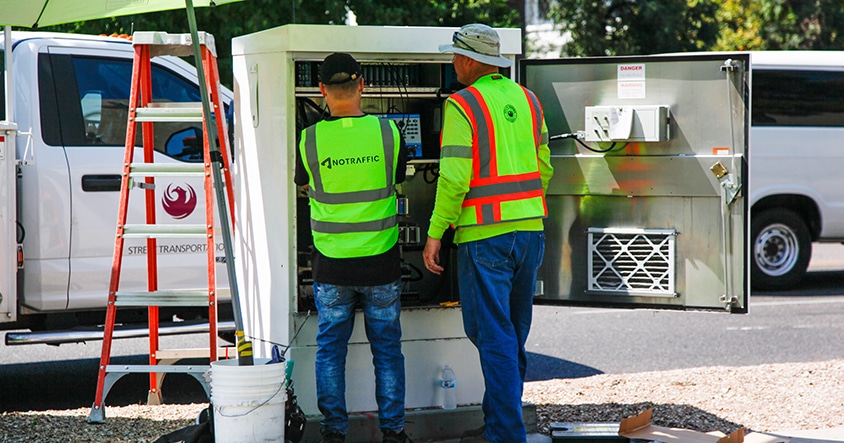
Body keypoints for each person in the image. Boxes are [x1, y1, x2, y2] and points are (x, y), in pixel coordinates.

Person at [422, 24, 553, 443]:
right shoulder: (528, 100)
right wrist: (523, 209)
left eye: (457, 55)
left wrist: (435, 231)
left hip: (484, 236)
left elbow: (453, 178)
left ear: (473, 60)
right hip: (530, 233)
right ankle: (500, 422)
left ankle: (506, 433)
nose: (453, 62)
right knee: (513, 331)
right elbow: (544, 165)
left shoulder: (463, 106)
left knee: (490, 333)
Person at [295, 52, 412, 443]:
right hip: (380, 264)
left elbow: (304, 185)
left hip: (332, 267)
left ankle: (334, 434)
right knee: (388, 352)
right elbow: (399, 179)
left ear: (322, 90)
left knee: (330, 352)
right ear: (362, 85)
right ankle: (393, 433)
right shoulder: (389, 133)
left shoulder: (308, 139)